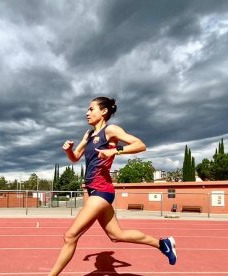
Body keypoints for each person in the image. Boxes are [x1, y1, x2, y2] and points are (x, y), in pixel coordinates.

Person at [49, 96, 177, 276]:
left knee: (70, 236)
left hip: (102, 191)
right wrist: (68, 150)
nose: (87, 113)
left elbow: (140, 145)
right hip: (92, 189)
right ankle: (162, 244)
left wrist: (114, 150)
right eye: (87, 109)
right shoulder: (88, 134)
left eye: (91, 109)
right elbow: (75, 157)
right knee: (116, 235)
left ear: (104, 112)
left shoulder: (111, 130)